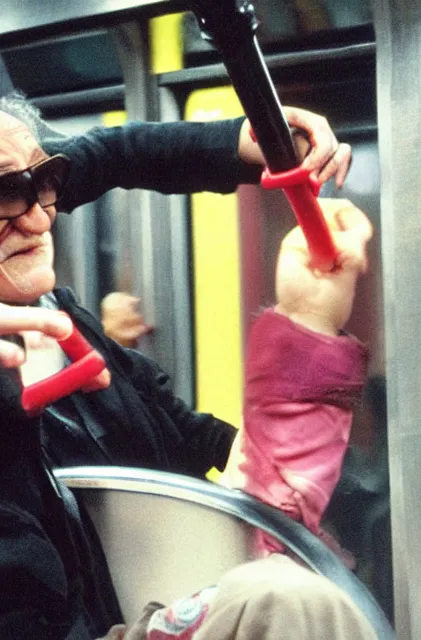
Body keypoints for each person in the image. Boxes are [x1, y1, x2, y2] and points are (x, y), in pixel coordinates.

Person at [0, 101, 377, 639]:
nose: (40, 217)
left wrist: (307, 323)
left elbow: (221, 484)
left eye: (47, 179)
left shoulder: (72, 335)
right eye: (5, 193)